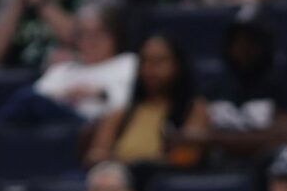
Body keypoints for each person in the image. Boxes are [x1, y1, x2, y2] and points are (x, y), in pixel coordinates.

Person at [83, 32, 208, 173]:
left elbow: (187, 157)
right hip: (122, 183)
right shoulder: (121, 113)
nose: (150, 69)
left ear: (177, 65)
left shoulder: (194, 109)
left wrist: (142, 165)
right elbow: (95, 156)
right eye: (145, 61)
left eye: (159, 61)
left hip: (163, 182)